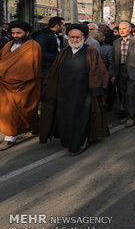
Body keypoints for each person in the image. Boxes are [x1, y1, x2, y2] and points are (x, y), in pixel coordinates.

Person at [39, 24, 109, 156]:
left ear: (84, 37)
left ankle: (79, 143)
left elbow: (98, 71)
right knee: (64, 118)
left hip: (83, 94)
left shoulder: (91, 52)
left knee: (80, 118)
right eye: (72, 37)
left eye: (78, 37)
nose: (75, 40)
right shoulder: (63, 53)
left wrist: (96, 90)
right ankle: (68, 140)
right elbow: (54, 73)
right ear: (68, 38)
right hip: (64, 94)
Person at [0, 21, 41, 151]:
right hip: (5, 86)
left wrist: (3, 71)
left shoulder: (33, 46)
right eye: (13, 33)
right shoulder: (8, 45)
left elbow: (27, 68)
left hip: (23, 86)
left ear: (27, 33)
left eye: (19, 33)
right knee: (8, 113)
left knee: (23, 110)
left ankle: (10, 138)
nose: (15, 35)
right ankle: (16, 133)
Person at [111, 21, 135, 128]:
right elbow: (114, 60)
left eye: (124, 28)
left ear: (129, 29)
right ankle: (126, 114)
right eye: (120, 29)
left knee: (131, 94)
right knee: (122, 93)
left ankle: (131, 117)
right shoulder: (116, 42)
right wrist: (113, 74)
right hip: (120, 70)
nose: (121, 31)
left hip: (133, 70)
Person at [33, 16, 64, 80]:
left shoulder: (56, 35)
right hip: (45, 69)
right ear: (57, 26)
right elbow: (41, 53)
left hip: (54, 66)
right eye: (63, 25)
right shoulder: (43, 36)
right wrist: (57, 57)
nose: (63, 27)